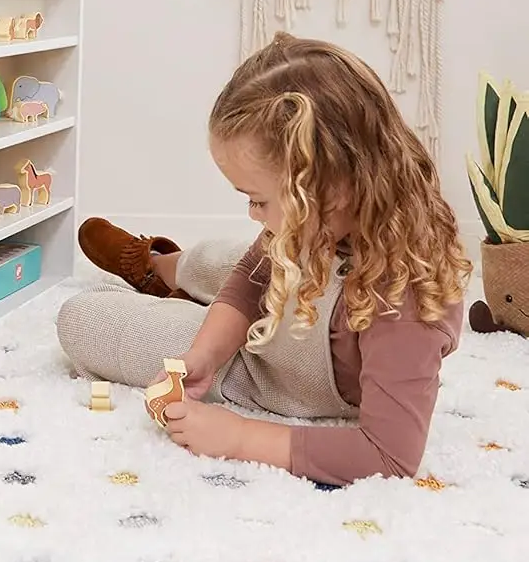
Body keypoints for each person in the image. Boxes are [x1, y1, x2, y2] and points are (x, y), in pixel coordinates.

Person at [58, 33, 471, 485]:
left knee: (82, 318)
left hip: (278, 366)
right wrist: (204, 354)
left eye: (258, 199)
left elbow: (390, 457)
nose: (251, 212)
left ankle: (174, 287)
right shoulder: (326, 218)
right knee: (225, 258)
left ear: (331, 191)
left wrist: (239, 437)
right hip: (288, 301)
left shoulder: (402, 303)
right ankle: (158, 266)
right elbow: (249, 282)